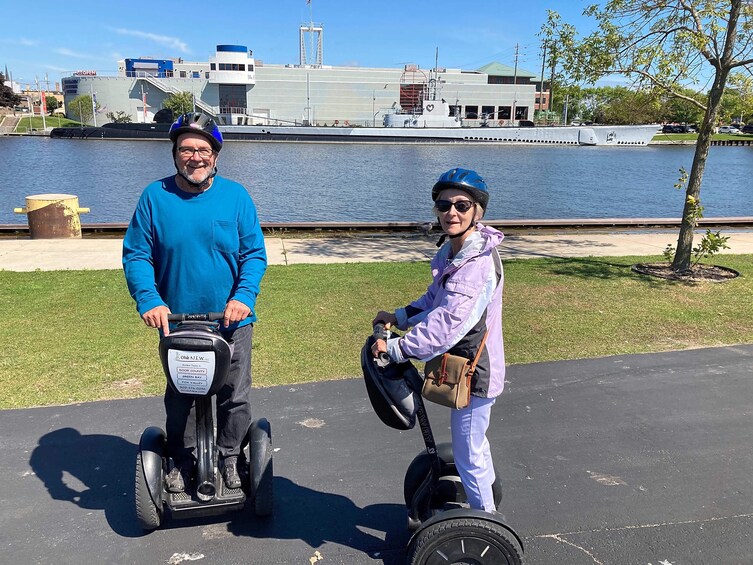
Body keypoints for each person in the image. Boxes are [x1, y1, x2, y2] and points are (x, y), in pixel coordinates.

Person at [123, 112, 267, 493]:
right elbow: (137, 254)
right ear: (175, 154)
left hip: (232, 321)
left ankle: (230, 456)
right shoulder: (155, 197)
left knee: (234, 397)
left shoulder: (236, 196)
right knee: (182, 398)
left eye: (203, 149)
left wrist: (243, 296)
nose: (195, 157)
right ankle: (182, 459)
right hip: (178, 322)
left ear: (216, 156)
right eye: (186, 149)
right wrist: (150, 300)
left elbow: (254, 254)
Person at [372, 167, 505, 513]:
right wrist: (398, 317)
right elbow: (435, 300)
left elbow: (448, 324)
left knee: (469, 453)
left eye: (462, 205)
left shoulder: (477, 263)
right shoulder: (454, 253)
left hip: (476, 372)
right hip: (462, 366)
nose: (452, 213)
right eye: (444, 205)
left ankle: (486, 524)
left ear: (478, 211)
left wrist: (398, 348)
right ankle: (487, 505)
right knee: (473, 445)